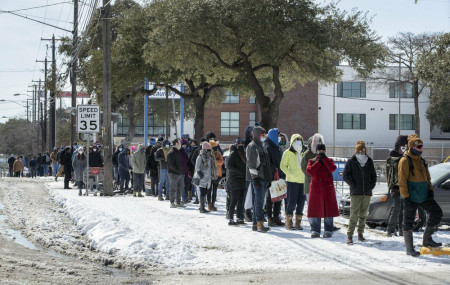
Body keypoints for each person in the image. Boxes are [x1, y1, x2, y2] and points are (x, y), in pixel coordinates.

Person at [398, 134, 443, 257]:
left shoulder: (421, 160)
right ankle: (409, 249)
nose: (421, 149)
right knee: (408, 222)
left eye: (422, 146)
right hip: (411, 196)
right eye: (419, 146)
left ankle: (427, 240)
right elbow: (401, 181)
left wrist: (430, 190)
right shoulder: (404, 161)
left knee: (436, 213)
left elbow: (428, 177)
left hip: (423, 195)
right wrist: (406, 197)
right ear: (412, 147)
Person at [343, 141, 377, 245]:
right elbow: (345, 175)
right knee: (354, 214)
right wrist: (353, 185)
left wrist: (370, 186)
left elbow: (374, 177)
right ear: (356, 151)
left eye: (362, 152)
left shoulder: (369, 162)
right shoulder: (351, 161)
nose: (361, 154)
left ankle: (360, 233)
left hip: (366, 193)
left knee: (363, 214)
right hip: (355, 192)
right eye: (359, 152)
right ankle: (350, 235)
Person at [306, 143, 339, 238]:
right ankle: (315, 230)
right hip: (316, 189)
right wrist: (318, 162)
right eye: (319, 151)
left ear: (325, 151)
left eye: (322, 151)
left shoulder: (329, 160)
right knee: (316, 210)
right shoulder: (312, 161)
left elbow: (333, 168)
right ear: (316, 151)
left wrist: (324, 159)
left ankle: (328, 230)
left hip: (327, 189)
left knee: (328, 210)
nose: (321, 152)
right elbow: (309, 171)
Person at [246, 126, 272, 233]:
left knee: (259, 201)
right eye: (262, 134)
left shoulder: (262, 145)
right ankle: (259, 223)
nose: (264, 136)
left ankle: (255, 223)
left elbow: (267, 163)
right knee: (259, 201)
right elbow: (251, 164)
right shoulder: (252, 146)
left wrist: (269, 178)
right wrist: (255, 178)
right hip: (258, 177)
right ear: (257, 134)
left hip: (264, 177)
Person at [280, 134, 306, 230]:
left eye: (300, 139)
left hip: (302, 180)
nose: (298, 141)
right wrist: (290, 173)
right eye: (296, 139)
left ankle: (298, 223)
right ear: (292, 141)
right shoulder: (287, 152)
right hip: (292, 181)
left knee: (301, 202)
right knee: (291, 202)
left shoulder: (304, 152)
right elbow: (282, 166)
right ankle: (288, 222)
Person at [386, 135, 408, 237]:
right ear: (398, 146)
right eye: (402, 147)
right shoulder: (393, 156)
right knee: (397, 208)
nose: (404, 150)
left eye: (406, 147)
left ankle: (401, 230)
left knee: (403, 210)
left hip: (405, 187)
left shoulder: (407, 156)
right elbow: (389, 169)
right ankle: (390, 230)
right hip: (395, 187)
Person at [265, 128, 286, 227]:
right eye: (277, 135)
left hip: (279, 175)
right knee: (270, 198)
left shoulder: (277, 147)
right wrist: (275, 169)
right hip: (272, 176)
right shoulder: (268, 147)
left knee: (279, 197)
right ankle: (270, 218)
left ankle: (276, 217)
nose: (279, 138)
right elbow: (267, 163)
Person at [227, 139, 247, 225]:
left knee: (241, 200)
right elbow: (229, 166)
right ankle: (231, 218)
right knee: (234, 200)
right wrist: (239, 171)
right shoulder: (233, 154)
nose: (241, 145)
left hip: (242, 180)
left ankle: (239, 218)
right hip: (234, 180)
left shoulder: (244, 154)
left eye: (242, 144)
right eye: (239, 144)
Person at [195, 142, 217, 213]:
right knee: (202, 192)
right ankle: (202, 208)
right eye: (209, 150)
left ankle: (203, 207)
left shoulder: (210, 157)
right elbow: (197, 167)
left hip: (208, 178)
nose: (210, 151)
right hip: (202, 178)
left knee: (205, 192)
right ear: (205, 150)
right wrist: (201, 176)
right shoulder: (200, 157)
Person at [167, 139, 185, 208]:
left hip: (179, 173)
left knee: (181, 186)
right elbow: (171, 165)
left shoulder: (177, 151)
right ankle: (172, 202)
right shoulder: (171, 152)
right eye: (180, 143)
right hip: (173, 173)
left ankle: (178, 201)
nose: (181, 144)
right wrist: (178, 171)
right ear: (176, 144)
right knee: (173, 187)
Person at [208, 140, 224, 211]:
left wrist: (214, 161)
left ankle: (213, 204)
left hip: (217, 174)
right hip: (209, 174)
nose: (215, 148)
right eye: (213, 147)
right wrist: (215, 161)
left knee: (214, 190)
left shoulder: (219, 153)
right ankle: (209, 204)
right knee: (209, 190)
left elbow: (221, 162)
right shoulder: (208, 154)